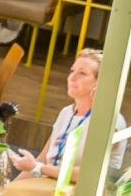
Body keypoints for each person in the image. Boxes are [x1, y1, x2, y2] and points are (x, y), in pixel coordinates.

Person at [34, 50, 98, 182]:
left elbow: (88, 174)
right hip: (46, 183)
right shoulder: (66, 112)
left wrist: (40, 168)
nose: (72, 77)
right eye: (72, 71)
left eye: (82, 73)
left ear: (99, 83)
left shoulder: (105, 120)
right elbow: (42, 159)